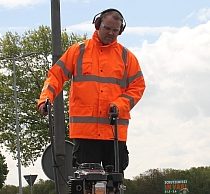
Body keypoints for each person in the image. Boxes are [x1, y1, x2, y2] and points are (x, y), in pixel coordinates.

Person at [38, 8, 146, 174]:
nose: (111, 33)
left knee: (114, 189)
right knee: (87, 187)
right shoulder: (78, 51)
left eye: (115, 30)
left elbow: (138, 86)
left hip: (114, 133)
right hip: (86, 134)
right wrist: (46, 99)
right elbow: (55, 76)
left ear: (121, 31)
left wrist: (120, 105)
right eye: (107, 28)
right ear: (98, 25)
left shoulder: (126, 57)